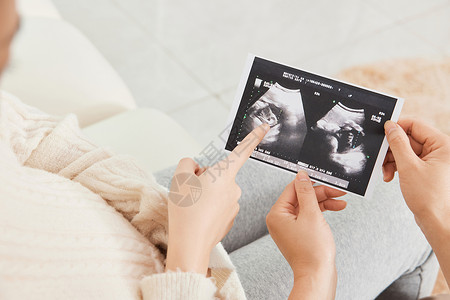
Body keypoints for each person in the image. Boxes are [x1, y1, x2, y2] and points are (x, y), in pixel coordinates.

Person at [0, 0, 448, 299]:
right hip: (182, 280)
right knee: (399, 208)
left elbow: (27, 135)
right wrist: (314, 275)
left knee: (338, 174)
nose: (18, 28)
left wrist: (143, 197)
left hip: (139, 218)